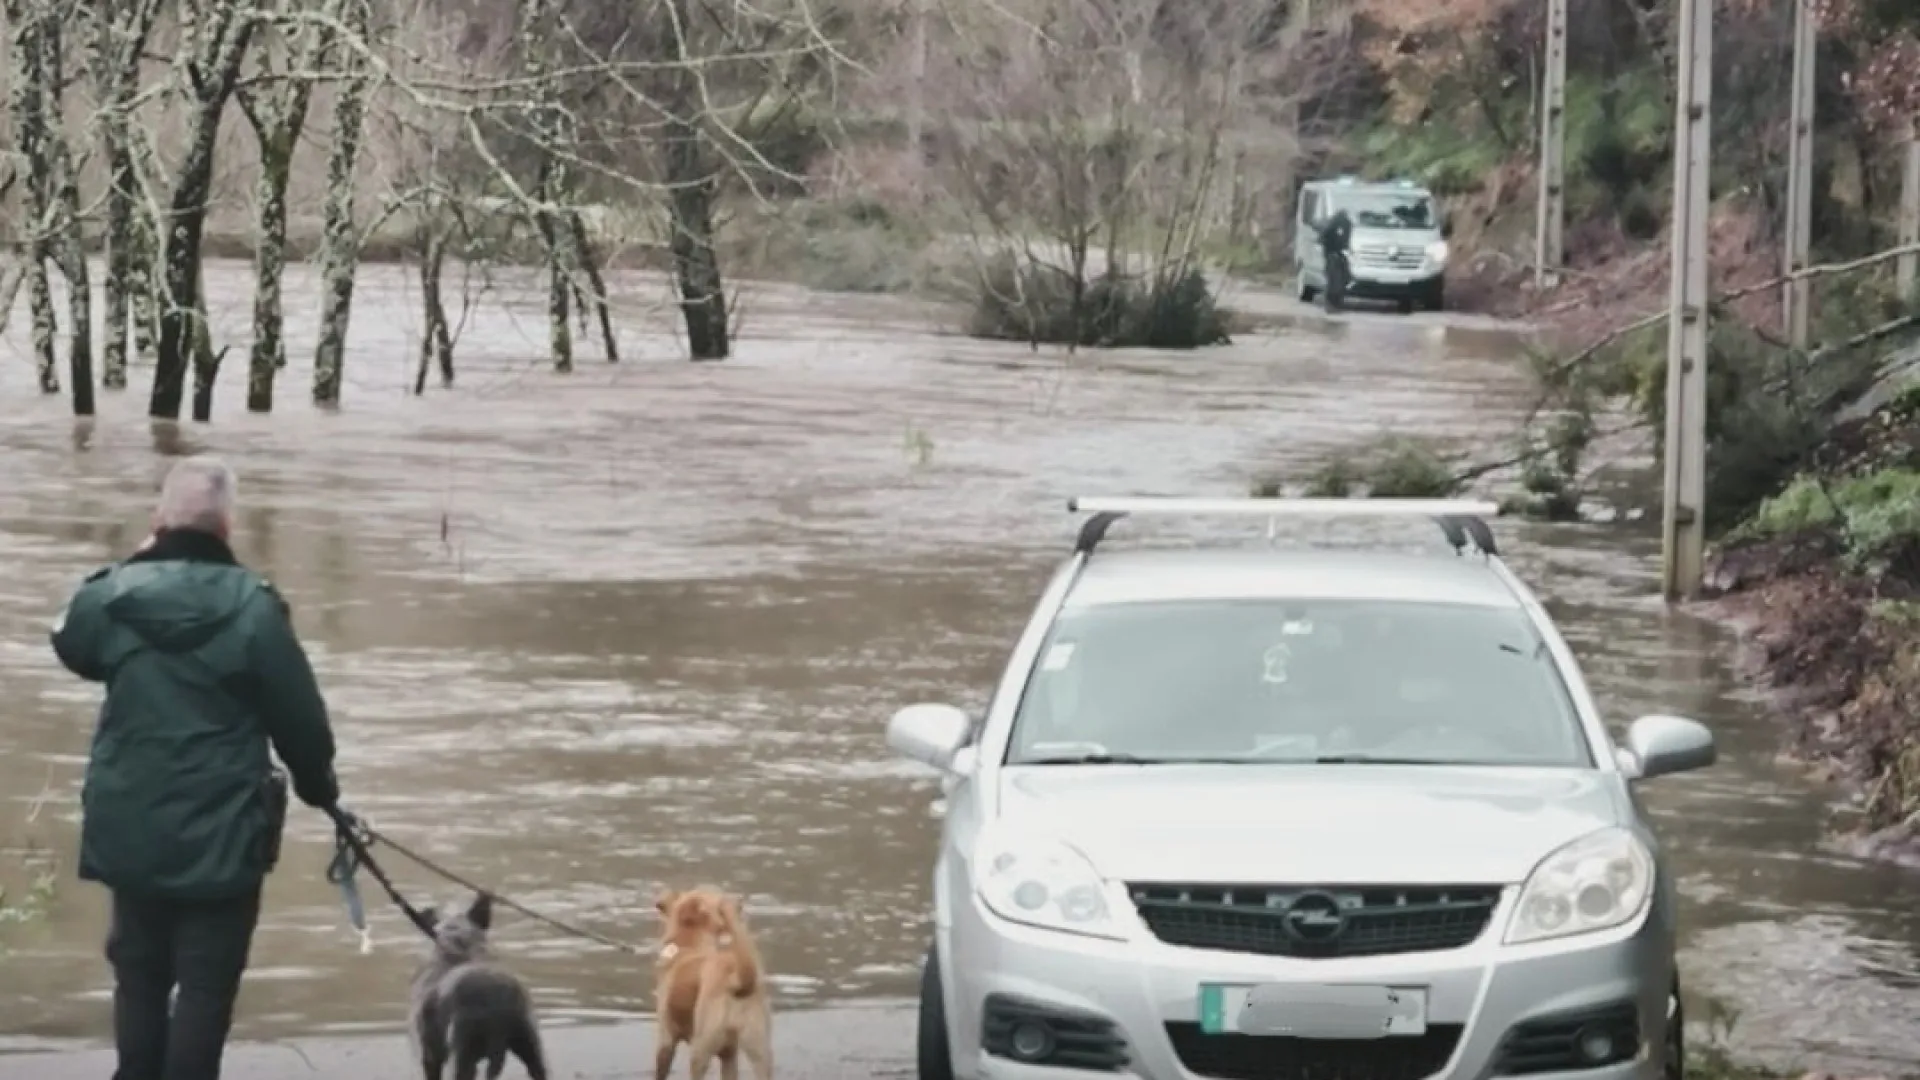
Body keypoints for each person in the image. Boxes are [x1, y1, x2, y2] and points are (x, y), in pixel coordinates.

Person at [50, 457, 343, 1080]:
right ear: (228, 526)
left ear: (158, 521)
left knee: (139, 976)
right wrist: (322, 792)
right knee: (206, 989)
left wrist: (131, 566)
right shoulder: (256, 610)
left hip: (130, 821)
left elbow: (73, 647)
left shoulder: (110, 597)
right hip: (225, 831)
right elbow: (301, 723)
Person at [1317, 207, 1354, 310]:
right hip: (1333, 255)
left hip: (1335, 255)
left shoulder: (1340, 225)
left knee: (1338, 279)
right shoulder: (1334, 227)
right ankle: (1332, 302)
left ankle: (1333, 302)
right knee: (1335, 280)